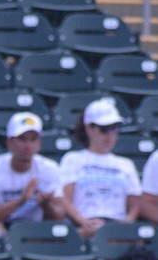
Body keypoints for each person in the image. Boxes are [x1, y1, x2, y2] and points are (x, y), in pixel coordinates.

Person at [59, 97, 141, 239]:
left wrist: (126, 224)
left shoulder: (126, 164)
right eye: (104, 129)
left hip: (117, 227)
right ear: (89, 128)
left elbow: (135, 203)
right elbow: (65, 199)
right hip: (84, 225)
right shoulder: (72, 159)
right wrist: (83, 222)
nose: (110, 135)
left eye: (115, 129)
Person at [0, 112, 64, 233]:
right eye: (22, 139)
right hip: (3, 225)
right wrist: (21, 200)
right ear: (9, 143)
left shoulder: (49, 168)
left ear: (39, 143)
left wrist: (46, 205)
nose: (28, 146)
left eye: (33, 139)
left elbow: (59, 217)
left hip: (36, 228)